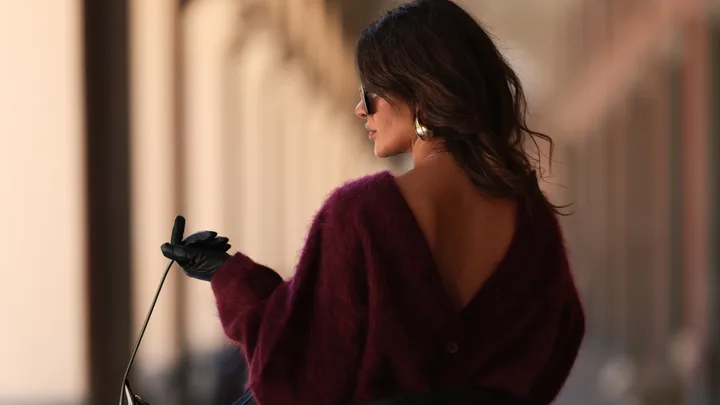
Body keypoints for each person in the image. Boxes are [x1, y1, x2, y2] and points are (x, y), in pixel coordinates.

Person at [161, 1, 585, 404]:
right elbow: (560, 341)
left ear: (419, 95)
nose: (361, 109)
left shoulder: (361, 214)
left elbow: (300, 379)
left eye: (370, 91)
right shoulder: (534, 220)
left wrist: (232, 281)